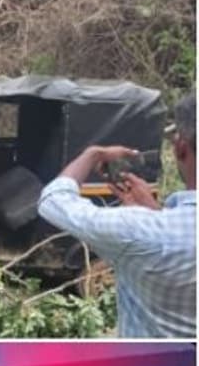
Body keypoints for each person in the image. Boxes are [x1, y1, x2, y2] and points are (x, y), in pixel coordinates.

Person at [36, 93, 196, 338]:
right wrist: (155, 214)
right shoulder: (153, 228)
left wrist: (92, 154)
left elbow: (52, 200)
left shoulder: (138, 231)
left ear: (180, 148)